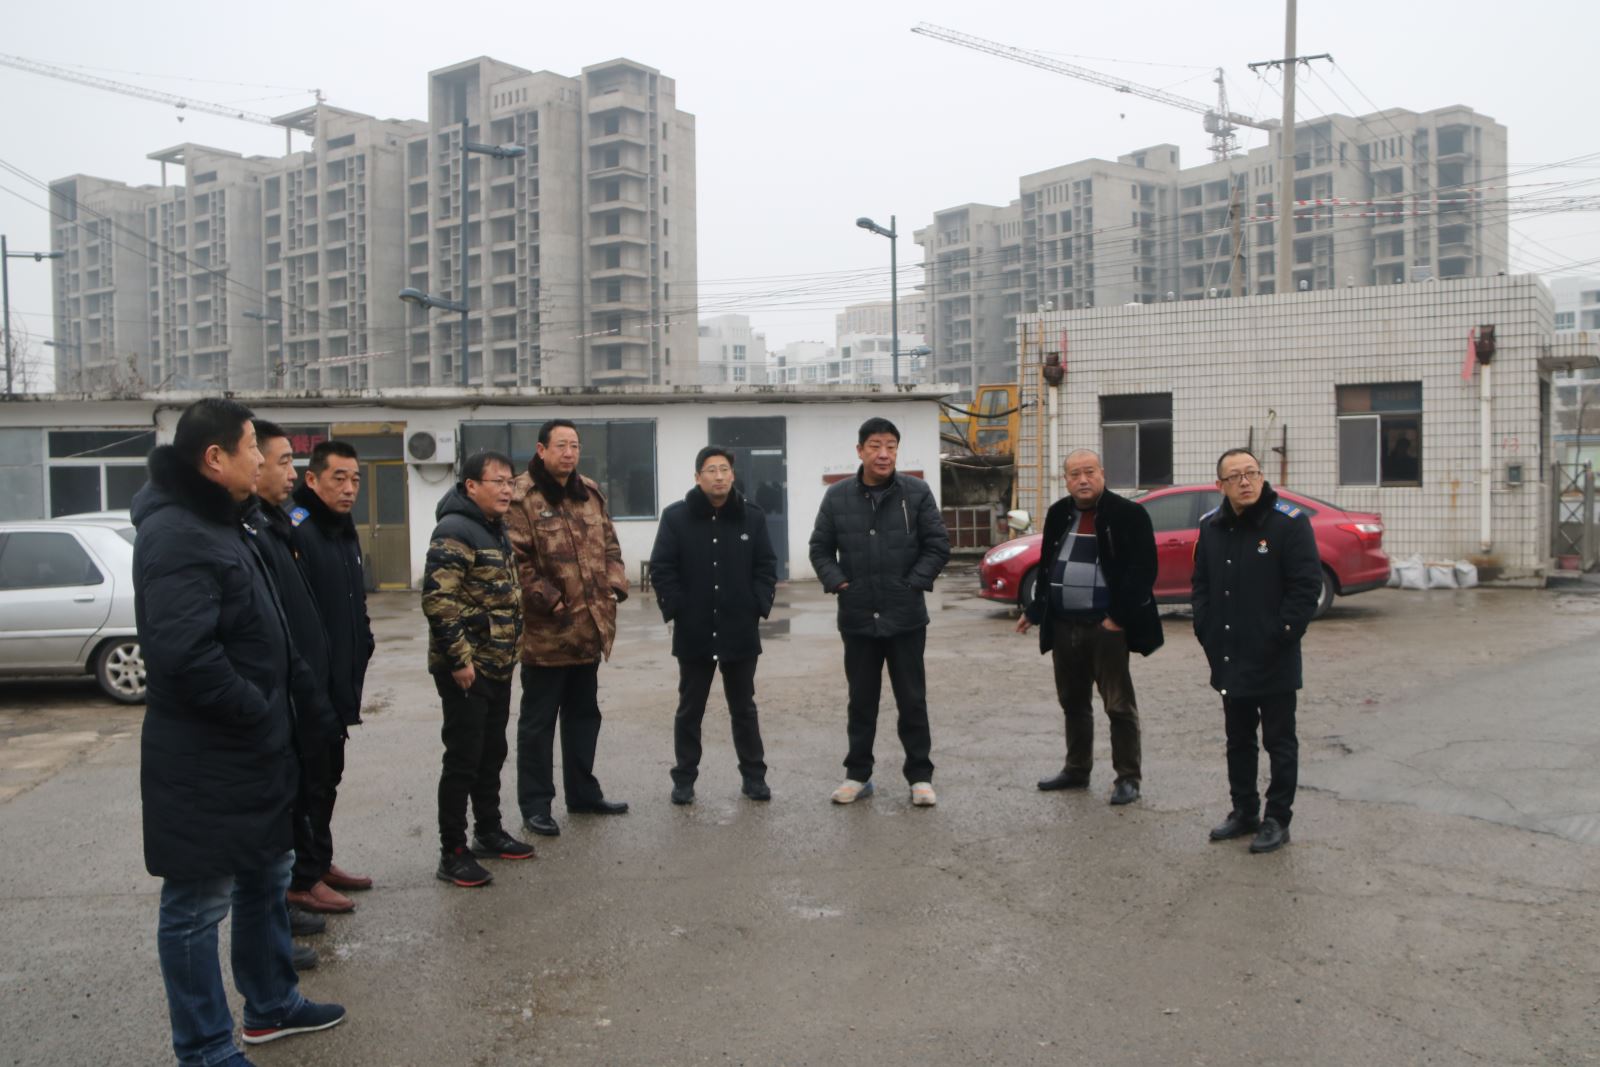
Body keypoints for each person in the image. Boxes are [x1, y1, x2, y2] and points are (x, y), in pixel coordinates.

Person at [133, 398, 345, 1066]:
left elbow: (267, 628)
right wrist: (258, 709)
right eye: (252, 446)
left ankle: (272, 1003)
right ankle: (203, 1049)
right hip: (206, 757)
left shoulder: (229, 521)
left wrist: (302, 708)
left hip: (256, 750)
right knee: (197, 903)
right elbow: (185, 656)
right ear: (214, 457)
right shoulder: (177, 533)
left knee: (267, 873)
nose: (262, 458)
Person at [808, 416, 950, 807]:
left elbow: (938, 545)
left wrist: (912, 584)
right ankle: (858, 775)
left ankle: (920, 777)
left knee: (912, 700)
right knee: (861, 701)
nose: (883, 453)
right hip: (857, 617)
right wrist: (840, 583)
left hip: (906, 617)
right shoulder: (837, 496)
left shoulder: (916, 492)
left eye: (890, 446)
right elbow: (820, 549)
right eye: (875, 446)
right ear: (860, 451)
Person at [1191, 448, 1323, 853]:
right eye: (1235, 476)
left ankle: (1277, 818)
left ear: (1262, 477)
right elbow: (1202, 585)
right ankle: (1244, 810)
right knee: (1238, 739)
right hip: (1229, 653)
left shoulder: (1288, 523)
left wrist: (1282, 634)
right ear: (1220, 485)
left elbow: (1306, 587)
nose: (1245, 481)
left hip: (1274, 655)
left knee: (1279, 742)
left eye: (1251, 473)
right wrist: (1206, 630)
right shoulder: (1212, 527)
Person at [1017, 449, 1163, 806]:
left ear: (1102, 474)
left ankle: (1127, 777)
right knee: (1073, 702)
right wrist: (1036, 611)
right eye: (1074, 474)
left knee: (1118, 705)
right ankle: (1076, 769)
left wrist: (1118, 618)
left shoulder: (1128, 514)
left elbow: (1143, 571)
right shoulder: (1058, 513)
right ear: (1066, 480)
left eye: (1089, 472)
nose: (1082, 480)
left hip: (1106, 627)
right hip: (1064, 625)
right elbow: (1049, 567)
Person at [506, 419, 630, 837]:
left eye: (574, 445)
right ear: (541, 450)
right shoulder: (522, 496)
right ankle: (536, 805)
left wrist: (614, 584)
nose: (569, 453)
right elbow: (516, 561)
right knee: (538, 724)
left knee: (583, 718)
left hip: (589, 629)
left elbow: (610, 545)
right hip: (546, 634)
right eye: (561, 445)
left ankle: (583, 794)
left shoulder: (589, 492)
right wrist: (550, 600)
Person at [247, 421, 341, 954]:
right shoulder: (257, 530)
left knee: (314, 788)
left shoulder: (275, 524)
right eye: (282, 461)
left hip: (307, 687)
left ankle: (306, 876)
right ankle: (289, 898)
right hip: (278, 699)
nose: (290, 472)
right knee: (287, 806)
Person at [422, 450, 534, 887]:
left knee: (491, 754)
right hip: (468, 668)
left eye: (510, 482)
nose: (507, 490)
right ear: (471, 486)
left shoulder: (493, 527)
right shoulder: (454, 529)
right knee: (463, 760)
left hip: (497, 663)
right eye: (498, 482)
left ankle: (488, 831)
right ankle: (452, 852)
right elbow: (439, 601)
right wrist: (459, 660)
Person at [649, 445, 779, 805]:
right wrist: (678, 608)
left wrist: (757, 605)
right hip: (695, 630)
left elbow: (766, 566)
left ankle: (754, 777)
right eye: (711, 470)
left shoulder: (752, 517)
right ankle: (684, 779)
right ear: (697, 477)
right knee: (690, 709)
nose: (718, 476)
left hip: (739, 629)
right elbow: (662, 568)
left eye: (724, 469)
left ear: (732, 475)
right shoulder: (676, 517)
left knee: (744, 708)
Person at [285, 440, 375, 912]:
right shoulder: (297, 530)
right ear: (312, 479)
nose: (348, 488)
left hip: (340, 680)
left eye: (355, 479)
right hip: (310, 685)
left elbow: (354, 599)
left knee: (329, 777)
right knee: (309, 784)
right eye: (338, 478)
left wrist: (365, 640)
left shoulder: (341, 530)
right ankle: (302, 878)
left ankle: (319, 862)